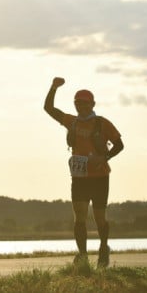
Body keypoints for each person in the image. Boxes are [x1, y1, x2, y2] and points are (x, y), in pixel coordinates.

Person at [43, 77, 124, 267]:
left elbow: (120, 145)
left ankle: (104, 248)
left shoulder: (103, 123)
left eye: (85, 103)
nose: (82, 107)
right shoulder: (71, 121)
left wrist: (104, 158)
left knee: (99, 218)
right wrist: (54, 87)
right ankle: (83, 255)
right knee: (79, 216)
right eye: (78, 103)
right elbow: (49, 108)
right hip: (79, 177)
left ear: (92, 104)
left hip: (100, 177)